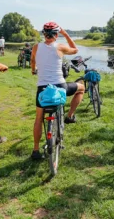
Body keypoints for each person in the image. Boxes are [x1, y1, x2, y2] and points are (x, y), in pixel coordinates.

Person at [30, 22, 85, 160]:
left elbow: (32, 60)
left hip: (43, 88)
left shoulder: (36, 47)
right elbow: (75, 49)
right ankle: (70, 116)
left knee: (38, 118)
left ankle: (35, 150)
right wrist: (65, 34)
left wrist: (33, 70)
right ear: (56, 34)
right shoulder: (59, 46)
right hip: (60, 86)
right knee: (81, 88)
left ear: (44, 34)